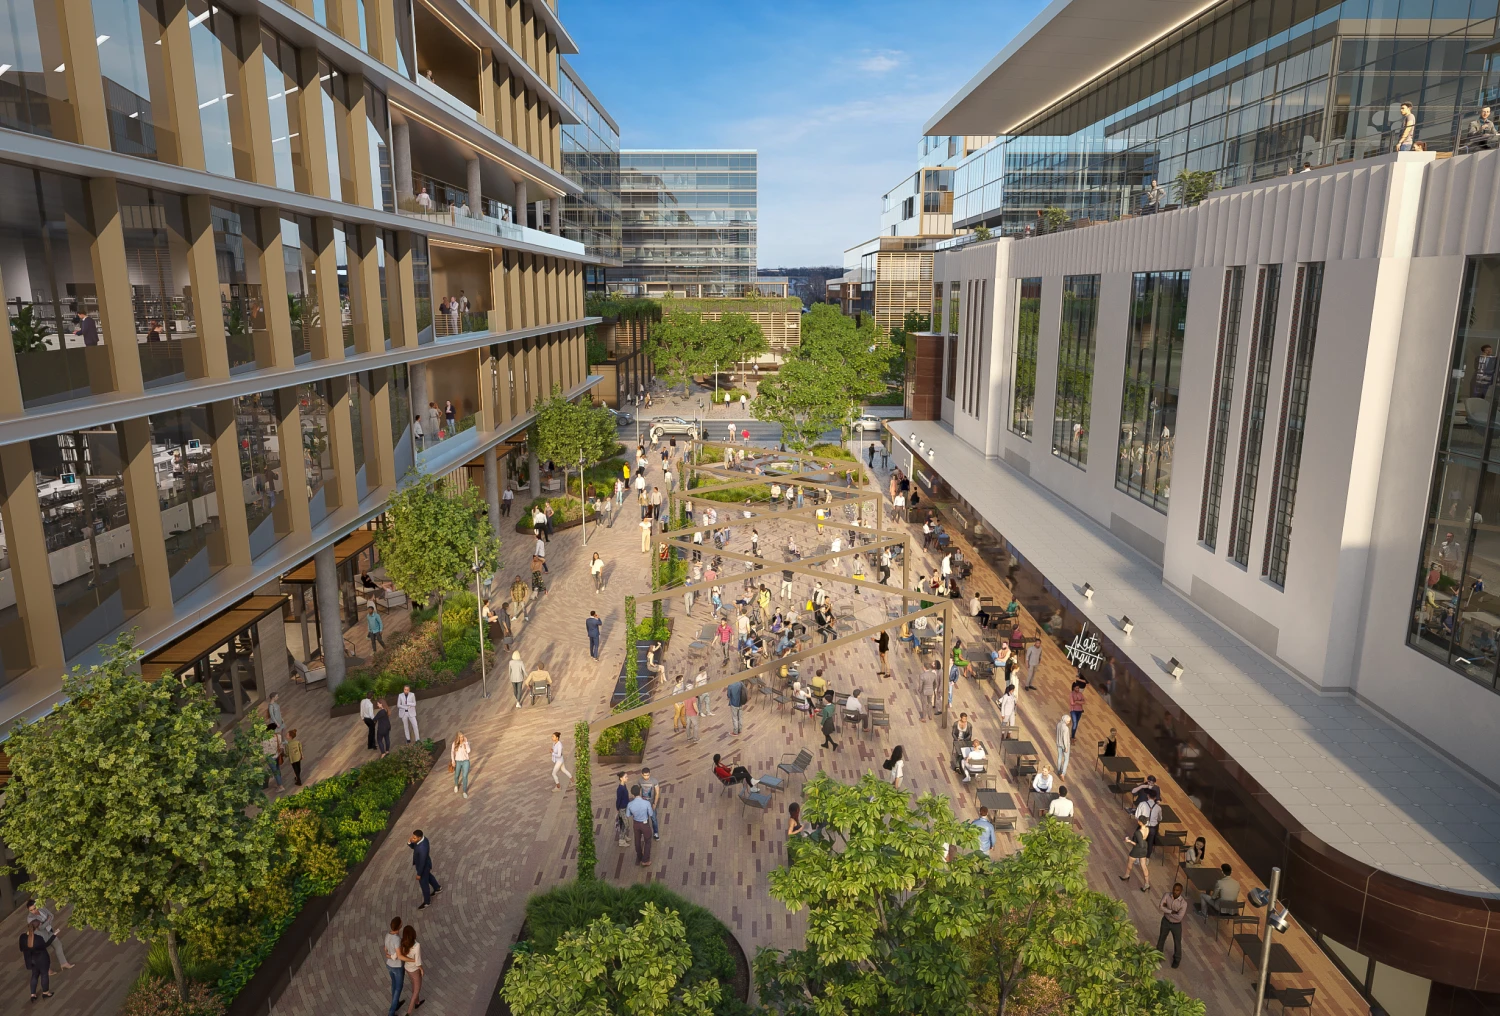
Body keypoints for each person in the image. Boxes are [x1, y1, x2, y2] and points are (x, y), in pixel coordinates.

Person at [25, 901, 70, 970]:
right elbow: (40, 928)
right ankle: (47, 970)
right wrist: (48, 920)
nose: (34, 911)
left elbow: (51, 915)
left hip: (49, 931)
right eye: (31, 910)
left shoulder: (41, 907)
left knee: (58, 944)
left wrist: (46, 922)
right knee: (43, 953)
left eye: (35, 908)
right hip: (41, 936)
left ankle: (64, 963)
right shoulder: (30, 918)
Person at [20, 919, 53, 1000]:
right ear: (37, 927)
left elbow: (21, 948)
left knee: (34, 975)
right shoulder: (38, 938)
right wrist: (53, 936)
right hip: (42, 959)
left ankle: (33, 994)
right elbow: (45, 945)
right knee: (44, 974)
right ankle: (45, 992)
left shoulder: (22, 937)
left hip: (31, 960)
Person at [408, 830, 442, 909]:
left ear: (419, 838)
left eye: (414, 838)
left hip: (423, 867)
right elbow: (415, 846)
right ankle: (437, 888)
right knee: (429, 876)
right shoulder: (423, 839)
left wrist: (419, 874)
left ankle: (427, 902)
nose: (412, 839)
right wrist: (410, 843)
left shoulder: (423, 848)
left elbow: (422, 862)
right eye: (413, 837)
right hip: (424, 865)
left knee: (424, 885)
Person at [1157, 883, 1187, 967]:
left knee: (1177, 942)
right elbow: (1160, 907)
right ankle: (1158, 955)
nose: (1174, 891)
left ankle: (1177, 960)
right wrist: (1172, 911)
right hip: (1165, 921)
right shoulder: (1167, 895)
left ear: (1181, 891)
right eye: (1174, 889)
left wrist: (1166, 909)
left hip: (1176, 925)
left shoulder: (1183, 903)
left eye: (1177, 890)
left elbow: (1179, 917)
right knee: (1161, 939)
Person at [1121, 816, 1152, 892]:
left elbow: (1139, 844)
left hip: (1137, 849)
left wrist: (1129, 841)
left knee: (1130, 862)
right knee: (1143, 866)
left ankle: (1127, 875)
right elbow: (1143, 842)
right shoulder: (1147, 829)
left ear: (1140, 822)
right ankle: (1147, 883)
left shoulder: (1138, 832)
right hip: (1144, 848)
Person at [398, 923, 424, 1013]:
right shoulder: (417, 946)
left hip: (407, 968)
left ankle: (417, 1002)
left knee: (414, 984)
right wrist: (421, 969)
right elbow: (418, 961)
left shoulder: (403, 942)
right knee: (416, 990)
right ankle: (408, 1013)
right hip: (415, 970)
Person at [383, 916, 406, 1016]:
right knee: (398, 988)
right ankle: (391, 1012)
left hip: (389, 965)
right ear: (399, 926)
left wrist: (389, 955)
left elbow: (385, 949)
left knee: (394, 985)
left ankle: (395, 1004)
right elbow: (399, 955)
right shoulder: (396, 939)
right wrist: (412, 960)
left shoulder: (387, 935)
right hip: (397, 967)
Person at [627, 784, 654, 866]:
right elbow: (651, 813)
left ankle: (639, 857)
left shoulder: (630, 804)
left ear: (632, 794)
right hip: (644, 823)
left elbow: (628, 815)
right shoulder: (646, 803)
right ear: (640, 791)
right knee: (648, 841)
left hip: (636, 824)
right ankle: (645, 860)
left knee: (637, 841)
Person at [640, 766, 661, 840]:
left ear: (650, 774)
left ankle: (656, 833)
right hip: (643, 804)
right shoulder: (640, 781)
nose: (646, 777)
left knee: (654, 819)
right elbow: (638, 792)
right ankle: (647, 833)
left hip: (651, 804)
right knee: (645, 820)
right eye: (645, 775)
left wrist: (655, 803)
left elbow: (657, 793)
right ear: (642, 774)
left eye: (648, 775)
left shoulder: (654, 781)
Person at [451, 732, 471, 798]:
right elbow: (452, 752)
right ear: (458, 737)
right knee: (457, 775)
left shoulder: (465, 743)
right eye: (460, 737)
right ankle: (456, 785)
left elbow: (468, 751)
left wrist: (466, 743)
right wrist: (453, 761)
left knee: (465, 776)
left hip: (465, 761)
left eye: (462, 737)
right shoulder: (454, 744)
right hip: (458, 762)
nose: (462, 738)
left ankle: (464, 791)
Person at [1055, 712, 1072, 777]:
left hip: (1058, 743)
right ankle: (1063, 773)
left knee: (1059, 757)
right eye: (1068, 721)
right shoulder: (1066, 728)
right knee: (1066, 759)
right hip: (1064, 745)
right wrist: (1066, 747)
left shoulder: (1058, 724)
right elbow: (1065, 738)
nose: (1068, 722)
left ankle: (1059, 770)